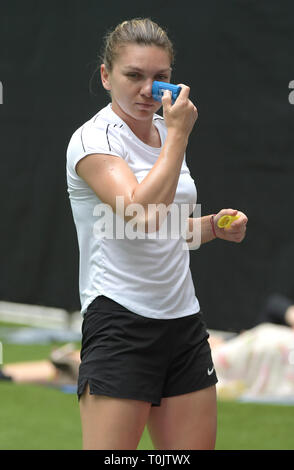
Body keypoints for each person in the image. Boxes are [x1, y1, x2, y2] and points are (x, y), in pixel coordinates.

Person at [66, 18, 248, 450]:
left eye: (160, 78)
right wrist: (180, 138)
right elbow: (138, 216)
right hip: (120, 322)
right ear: (107, 76)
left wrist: (210, 228)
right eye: (134, 75)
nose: (149, 89)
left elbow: (164, 228)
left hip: (183, 322)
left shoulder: (166, 133)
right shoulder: (93, 141)